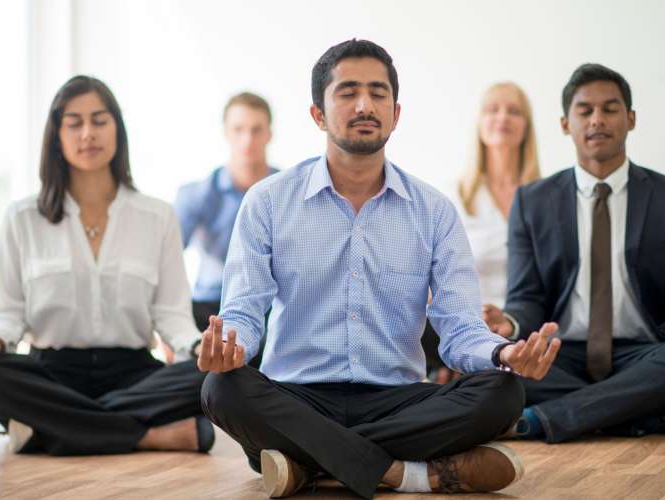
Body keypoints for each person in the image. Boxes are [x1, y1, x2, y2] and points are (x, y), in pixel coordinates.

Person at [197, 39, 560, 499]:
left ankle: (309, 466)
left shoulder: (434, 211)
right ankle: (405, 474)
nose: (365, 105)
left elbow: (459, 327)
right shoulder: (268, 202)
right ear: (318, 115)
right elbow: (245, 312)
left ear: (396, 112)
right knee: (221, 389)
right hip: (295, 397)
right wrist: (231, 349)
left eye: (378, 93)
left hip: (396, 401)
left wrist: (503, 353)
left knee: (504, 392)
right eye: (347, 92)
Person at [0, 76, 213, 455]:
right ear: (57, 136)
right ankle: (148, 435)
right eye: (74, 122)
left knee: (217, 378)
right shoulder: (22, 217)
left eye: (99, 120)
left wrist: (199, 348)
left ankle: (46, 431)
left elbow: (172, 315)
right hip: (51, 374)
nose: (87, 133)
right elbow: (9, 312)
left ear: (117, 129)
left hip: (133, 373)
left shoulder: (157, 216)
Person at [484, 63, 665, 444]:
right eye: (585, 111)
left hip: (642, 355)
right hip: (561, 354)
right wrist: (509, 324)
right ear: (564, 123)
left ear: (631, 118)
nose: (597, 120)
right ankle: (652, 416)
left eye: (610, 109)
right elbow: (527, 299)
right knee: (495, 370)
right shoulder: (533, 202)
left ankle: (540, 420)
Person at [426, 82, 541, 384]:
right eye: (493, 109)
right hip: (467, 324)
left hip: (526, 325)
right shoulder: (454, 197)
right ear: (479, 123)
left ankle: (468, 380)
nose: (502, 117)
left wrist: (510, 322)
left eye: (514, 111)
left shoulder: (547, 198)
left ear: (526, 126)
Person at [175, 92, 278, 332]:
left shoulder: (288, 192)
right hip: (210, 306)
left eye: (256, 130)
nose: (247, 139)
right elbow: (165, 260)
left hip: (270, 308)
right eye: (238, 129)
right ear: (225, 133)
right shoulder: (196, 194)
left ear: (269, 134)